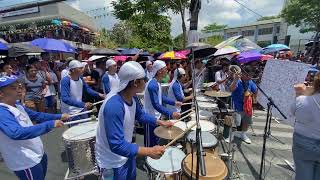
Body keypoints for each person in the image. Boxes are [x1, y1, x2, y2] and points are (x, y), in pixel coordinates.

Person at [95, 61, 173, 180]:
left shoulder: (132, 96)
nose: (146, 82)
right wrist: (149, 151)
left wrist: (160, 122)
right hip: (112, 161)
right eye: (143, 79)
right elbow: (116, 145)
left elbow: (140, 115)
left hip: (126, 152)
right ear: (135, 82)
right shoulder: (114, 105)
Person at [0, 75, 69, 180]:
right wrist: (49, 125)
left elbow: (37, 116)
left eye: (18, 86)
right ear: (1, 94)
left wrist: (59, 116)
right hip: (25, 162)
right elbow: (16, 133)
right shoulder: (2, 112)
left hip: (36, 154)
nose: (19, 88)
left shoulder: (17, 105)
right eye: (13, 88)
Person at [144, 60, 182, 147]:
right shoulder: (152, 85)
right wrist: (171, 113)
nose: (167, 70)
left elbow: (161, 97)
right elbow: (156, 104)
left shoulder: (157, 82)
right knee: (150, 144)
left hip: (156, 117)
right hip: (150, 118)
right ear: (159, 71)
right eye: (165, 69)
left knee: (156, 141)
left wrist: (174, 103)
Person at [291, 73, 320, 180]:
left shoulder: (302, 100)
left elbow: (293, 111)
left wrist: (299, 94)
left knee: (303, 175)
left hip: (303, 142)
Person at [229, 67, 257, 144]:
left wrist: (251, 96)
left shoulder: (251, 82)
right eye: (248, 75)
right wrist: (235, 79)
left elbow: (255, 90)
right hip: (237, 105)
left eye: (251, 75)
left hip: (247, 106)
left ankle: (243, 134)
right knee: (236, 123)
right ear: (243, 74)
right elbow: (231, 89)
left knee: (246, 122)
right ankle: (231, 135)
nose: (250, 77)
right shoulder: (238, 81)